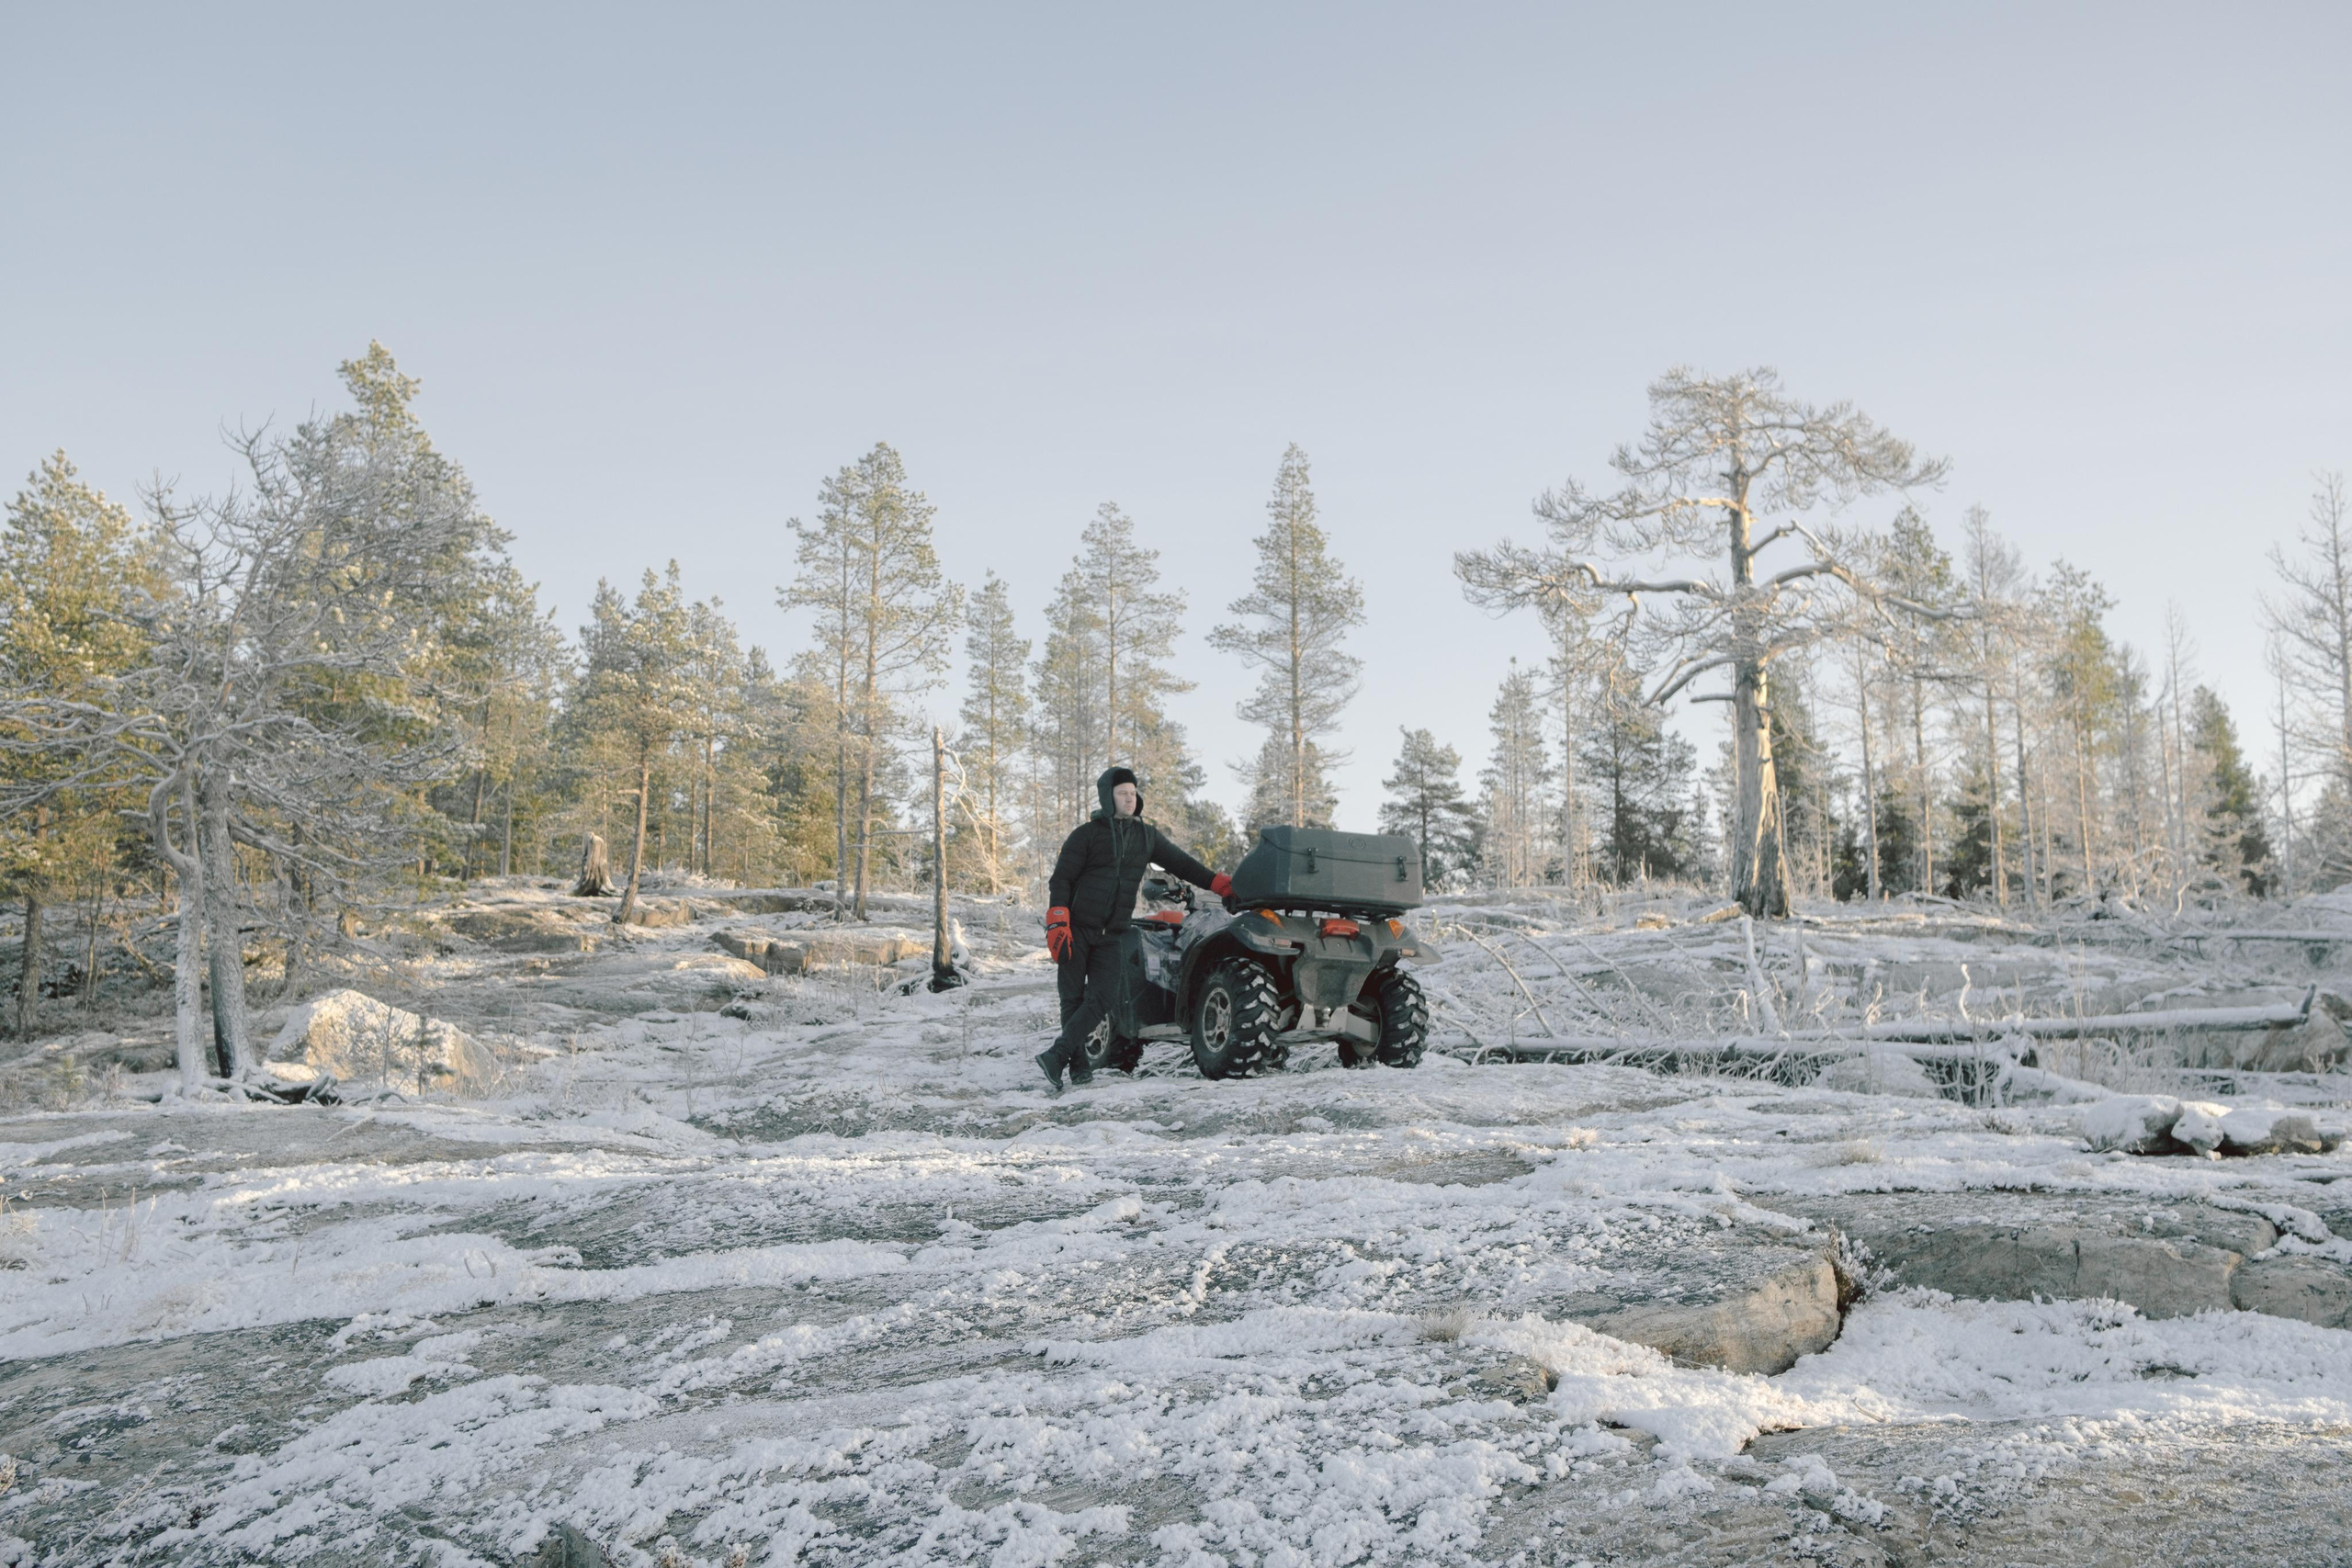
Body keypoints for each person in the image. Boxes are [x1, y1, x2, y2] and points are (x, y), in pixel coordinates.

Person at [1036, 765, 1231, 1091]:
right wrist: (1058, 919)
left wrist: (1217, 882)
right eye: (1122, 794)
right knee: (1072, 999)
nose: (1129, 799)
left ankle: (1057, 1055)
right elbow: (1062, 879)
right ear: (1107, 797)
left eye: (1132, 793)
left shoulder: (1146, 836)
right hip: (1077, 928)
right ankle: (1079, 1070)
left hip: (1113, 933)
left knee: (1101, 998)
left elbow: (1181, 863)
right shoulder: (1085, 835)